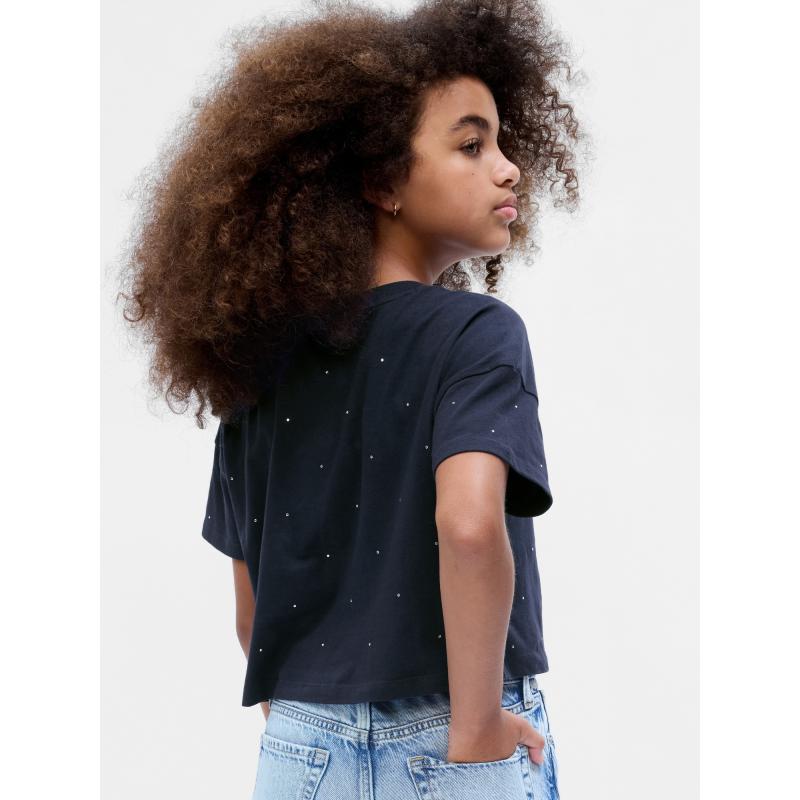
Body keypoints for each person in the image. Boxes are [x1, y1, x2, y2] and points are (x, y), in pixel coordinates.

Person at [117, 0, 584, 796]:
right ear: (382, 181)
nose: (509, 169)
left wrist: (316, 736)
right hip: (451, 738)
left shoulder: (258, 364)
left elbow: (251, 612)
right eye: (472, 144)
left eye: (504, 144)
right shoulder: (475, 334)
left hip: (301, 746)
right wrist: (475, 728)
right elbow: (470, 527)